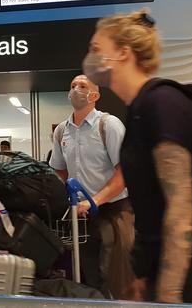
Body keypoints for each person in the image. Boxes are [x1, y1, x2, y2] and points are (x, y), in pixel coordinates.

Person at [82, 8, 192, 305]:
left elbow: (181, 209)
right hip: (171, 263)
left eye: (96, 49)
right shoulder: (140, 108)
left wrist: (168, 294)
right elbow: (151, 202)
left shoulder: (162, 103)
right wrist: (145, 275)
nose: (90, 57)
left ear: (123, 53)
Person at [49, 75, 134, 299]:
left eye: (82, 86)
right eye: (72, 86)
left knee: (116, 276)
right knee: (89, 274)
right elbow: (59, 169)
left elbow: (124, 173)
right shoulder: (61, 131)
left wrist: (95, 200)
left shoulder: (109, 125)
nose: (76, 89)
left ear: (94, 95)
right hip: (82, 216)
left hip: (113, 210)